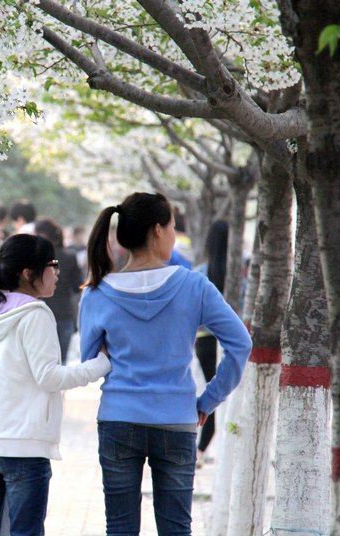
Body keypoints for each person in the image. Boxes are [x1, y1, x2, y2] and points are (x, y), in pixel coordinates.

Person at [79, 193, 251, 535]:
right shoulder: (194, 286)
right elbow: (240, 344)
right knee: (176, 528)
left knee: (120, 527)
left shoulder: (96, 293)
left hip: (118, 418)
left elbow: (89, 360)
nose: (174, 235)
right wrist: (208, 401)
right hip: (177, 419)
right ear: (158, 230)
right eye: (172, 227)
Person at [0, 234, 111, 536]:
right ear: (28, 274)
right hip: (23, 445)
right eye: (52, 264)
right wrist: (100, 365)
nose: (57, 272)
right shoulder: (35, 314)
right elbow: (50, 377)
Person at [193, 220, 230, 466]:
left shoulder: (199, 275)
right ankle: (203, 447)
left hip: (204, 343)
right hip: (228, 343)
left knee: (209, 392)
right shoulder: (241, 274)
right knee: (223, 395)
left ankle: (201, 449)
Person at [34, 217, 82, 363]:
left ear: (41, 235)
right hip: (64, 315)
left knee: (42, 364)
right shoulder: (69, 257)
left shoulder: (36, 258)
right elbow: (77, 286)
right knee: (60, 364)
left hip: (40, 314)